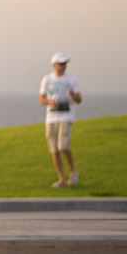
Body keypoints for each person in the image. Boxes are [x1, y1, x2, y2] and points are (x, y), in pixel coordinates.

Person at [39, 52, 83, 187]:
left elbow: (79, 100)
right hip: (51, 117)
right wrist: (49, 101)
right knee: (54, 149)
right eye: (61, 64)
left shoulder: (72, 79)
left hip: (66, 116)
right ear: (54, 65)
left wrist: (73, 94)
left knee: (63, 146)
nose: (63, 66)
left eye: (65, 64)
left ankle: (73, 172)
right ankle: (61, 179)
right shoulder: (46, 79)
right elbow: (42, 99)